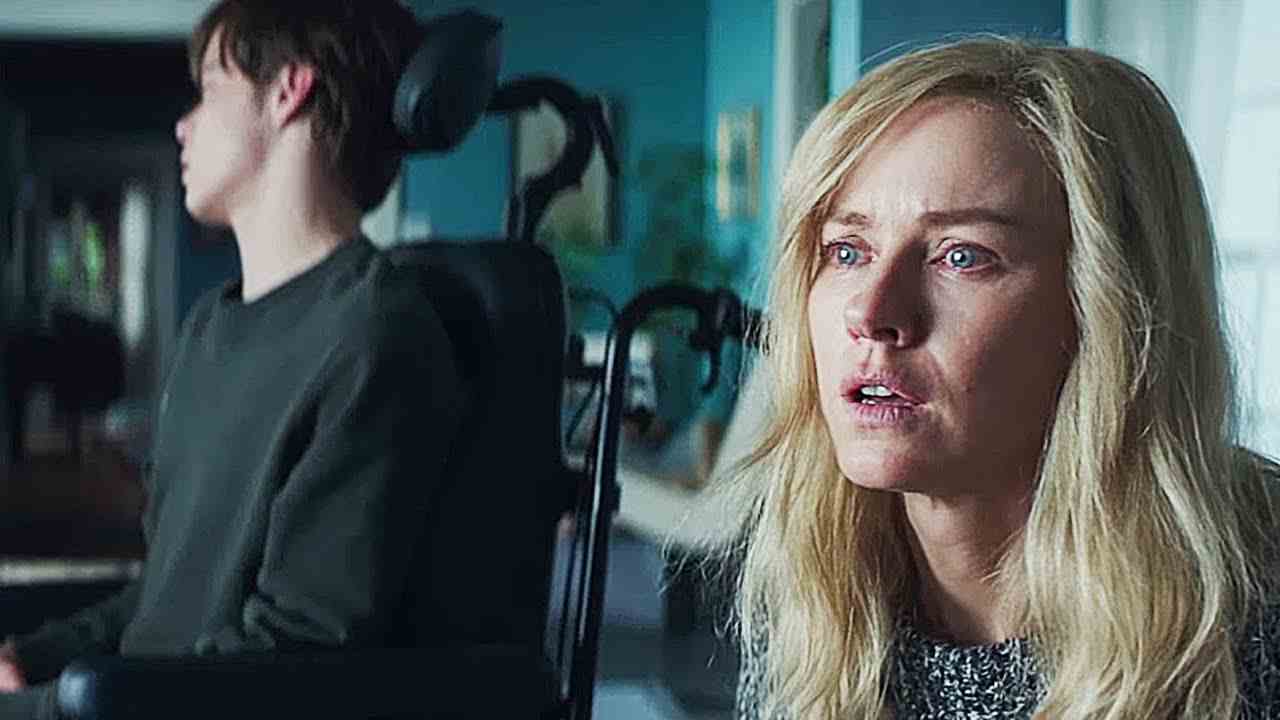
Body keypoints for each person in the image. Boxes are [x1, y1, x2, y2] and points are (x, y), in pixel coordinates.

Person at [703, 37, 1280, 719]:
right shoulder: (819, 580)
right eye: (848, 251)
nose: (872, 314)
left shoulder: (1254, 605)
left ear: (1111, 308)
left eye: (962, 256)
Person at [0, 1, 460, 717]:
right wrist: (32, 658)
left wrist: (48, 707)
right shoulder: (210, 327)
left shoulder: (377, 336)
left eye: (210, 89)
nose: (183, 125)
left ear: (288, 90)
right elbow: (165, 597)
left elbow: (289, 656)